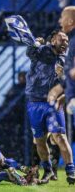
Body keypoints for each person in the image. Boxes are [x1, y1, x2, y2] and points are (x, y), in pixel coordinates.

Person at [25, 29, 75, 184]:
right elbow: (30, 53)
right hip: (34, 102)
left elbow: (69, 82)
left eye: (67, 40)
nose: (65, 43)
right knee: (39, 140)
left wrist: (62, 76)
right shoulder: (41, 51)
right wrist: (35, 43)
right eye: (62, 39)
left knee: (59, 137)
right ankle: (47, 171)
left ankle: (71, 172)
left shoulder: (66, 60)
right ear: (53, 40)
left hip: (53, 103)